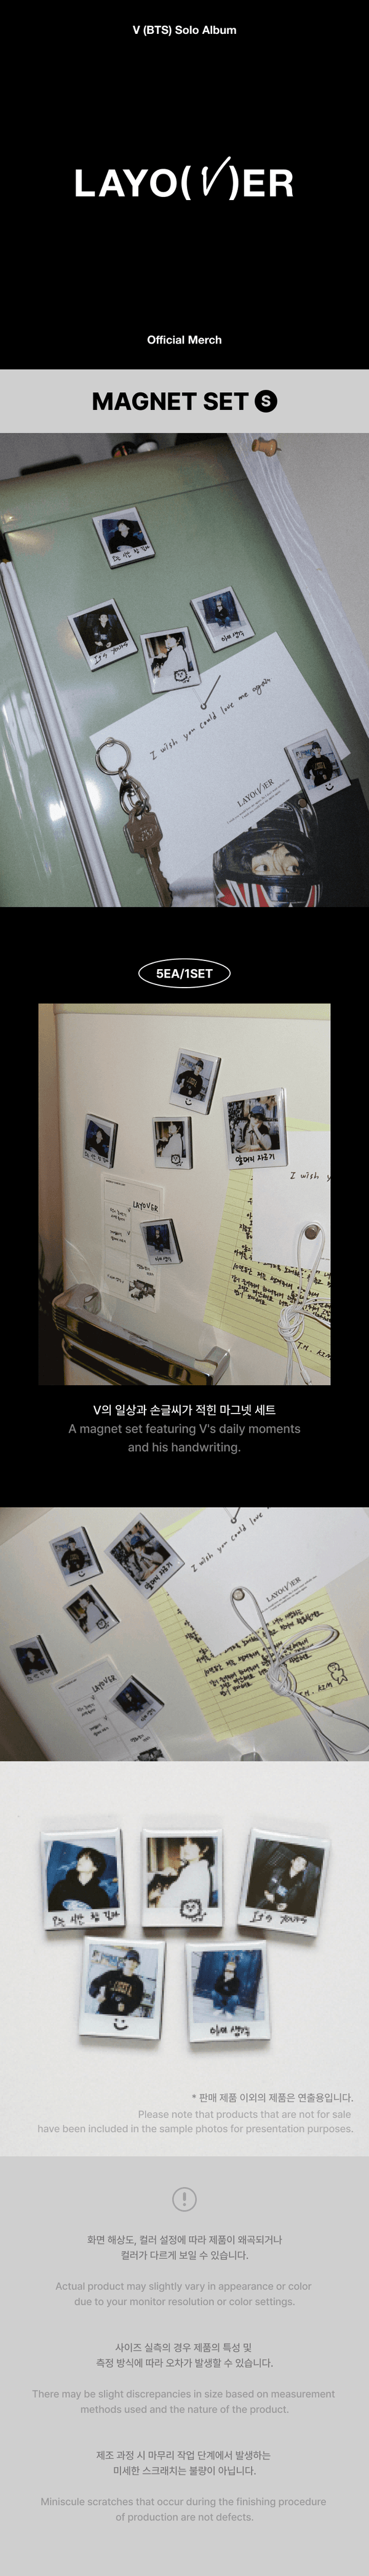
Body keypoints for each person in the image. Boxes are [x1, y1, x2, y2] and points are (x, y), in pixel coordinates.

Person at [248, 1840, 322, 1918]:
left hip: (278, 1915)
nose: (299, 1864)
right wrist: (266, 1893)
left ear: (303, 1869)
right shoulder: (276, 1871)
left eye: (303, 1864)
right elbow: (257, 1883)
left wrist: (287, 1906)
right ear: (292, 1861)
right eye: (298, 1861)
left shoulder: (301, 1887)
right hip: (262, 1906)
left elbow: (297, 1906)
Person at [148, 1839, 214, 1921]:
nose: (186, 1848)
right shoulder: (201, 1869)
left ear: (205, 1849)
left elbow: (163, 1905)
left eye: (192, 1844)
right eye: (185, 1844)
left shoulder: (193, 1870)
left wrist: (157, 1896)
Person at [48, 1846, 117, 1915]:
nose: (80, 1860)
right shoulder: (61, 1886)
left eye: (86, 1859)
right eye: (80, 1857)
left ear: (95, 1867)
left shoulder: (102, 1896)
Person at [89, 1951, 144, 2018]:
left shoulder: (138, 1983)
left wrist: (126, 2008)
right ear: (125, 1961)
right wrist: (97, 1995)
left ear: (137, 1964)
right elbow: (94, 1984)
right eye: (130, 1959)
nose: (132, 1962)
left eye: (135, 1961)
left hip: (121, 2017)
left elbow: (137, 2002)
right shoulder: (112, 1975)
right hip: (104, 2013)